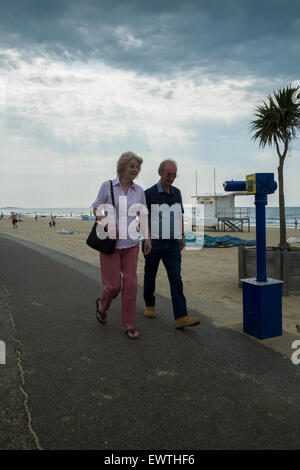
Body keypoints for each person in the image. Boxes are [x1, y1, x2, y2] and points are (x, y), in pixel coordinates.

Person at [92, 151, 151, 340]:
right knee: (114, 286)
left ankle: (129, 325)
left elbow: (143, 216)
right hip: (111, 244)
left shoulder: (139, 191)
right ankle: (103, 306)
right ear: (123, 166)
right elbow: (96, 208)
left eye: (138, 167)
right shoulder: (108, 186)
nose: (135, 170)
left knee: (131, 285)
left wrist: (147, 238)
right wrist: (107, 223)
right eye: (132, 166)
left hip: (132, 244)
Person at [143, 159, 200, 329]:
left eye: (174, 175)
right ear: (160, 173)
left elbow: (179, 215)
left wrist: (181, 236)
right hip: (153, 244)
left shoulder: (177, 193)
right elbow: (143, 218)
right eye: (169, 174)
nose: (172, 178)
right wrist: (147, 239)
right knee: (150, 276)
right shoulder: (149, 193)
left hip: (173, 244)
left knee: (176, 278)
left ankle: (180, 317)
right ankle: (149, 305)